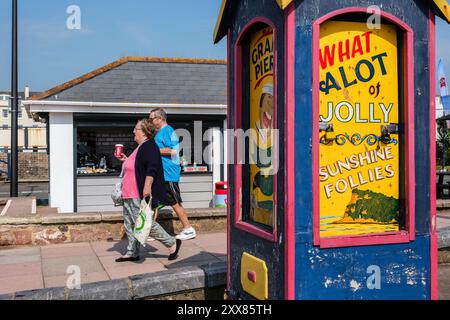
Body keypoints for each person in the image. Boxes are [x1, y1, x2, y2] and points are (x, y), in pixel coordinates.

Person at [114, 119, 181, 262]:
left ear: (144, 132)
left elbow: (152, 167)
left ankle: (172, 242)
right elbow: (136, 167)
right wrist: (125, 160)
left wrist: (147, 186)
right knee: (130, 224)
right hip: (128, 193)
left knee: (145, 223)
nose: (133, 131)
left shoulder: (150, 146)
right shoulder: (139, 148)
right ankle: (132, 252)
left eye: (136, 129)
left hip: (137, 192)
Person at [149, 108, 196, 240]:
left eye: (151, 118)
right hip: (161, 173)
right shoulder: (160, 133)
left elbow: (173, 151)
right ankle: (151, 230)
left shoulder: (168, 131)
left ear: (160, 119)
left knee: (175, 202)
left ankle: (188, 229)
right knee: (154, 202)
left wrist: (153, 150)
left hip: (169, 173)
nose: (150, 121)